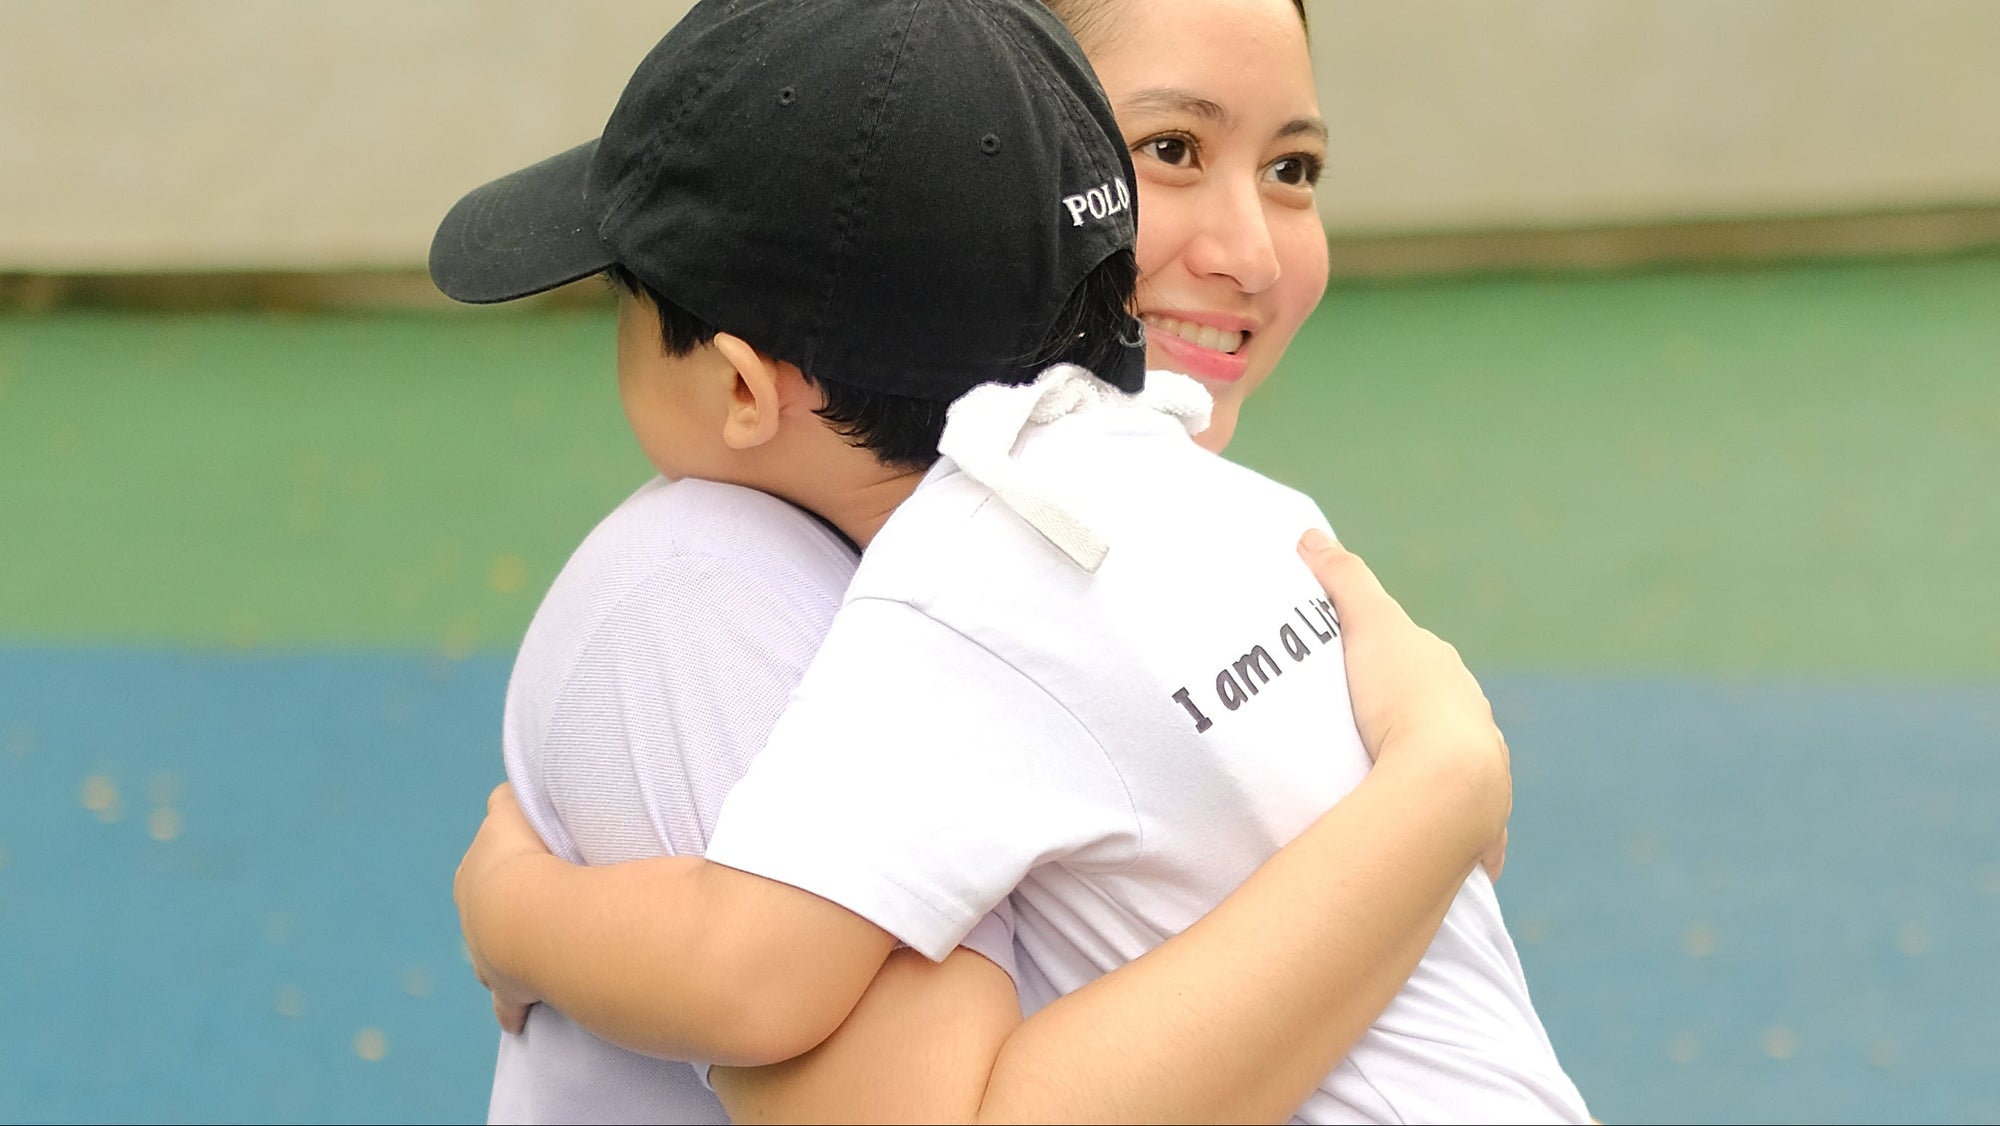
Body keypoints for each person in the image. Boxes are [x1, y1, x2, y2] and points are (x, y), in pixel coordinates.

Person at [444, 0, 1579, 1121]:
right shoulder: (1244, 510)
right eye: (1170, 150)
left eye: (1291, 166)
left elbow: (748, 970)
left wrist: (514, 911)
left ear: (743, 386)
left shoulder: (943, 600)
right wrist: (1439, 780)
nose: (1243, 255)